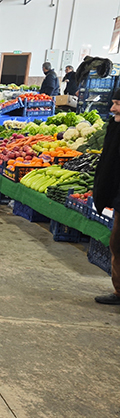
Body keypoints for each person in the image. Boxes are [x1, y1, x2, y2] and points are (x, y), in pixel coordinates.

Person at [92, 92, 120, 305]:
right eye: (113, 103)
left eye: (117, 104)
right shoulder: (115, 126)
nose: (113, 108)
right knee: (116, 243)